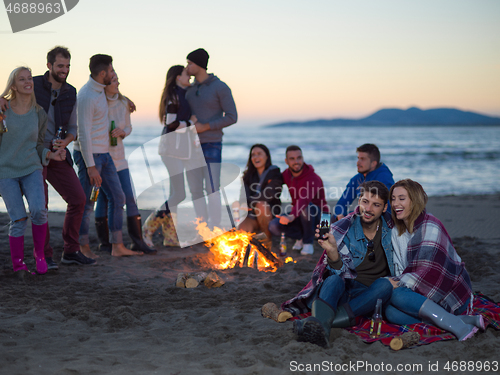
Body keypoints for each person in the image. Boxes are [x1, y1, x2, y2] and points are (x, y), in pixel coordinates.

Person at [0, 47, 92, 268]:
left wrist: (66, 143)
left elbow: (72, 128)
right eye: (60, 65)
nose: (64, 70)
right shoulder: (34, 84)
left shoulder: (71, 92)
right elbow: (12, 97)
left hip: (55, 152)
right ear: (49, 65)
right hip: (32, 153)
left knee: (78, 199)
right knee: (41, 206)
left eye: (68, 66)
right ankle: (45, 255)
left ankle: (70, 250)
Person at [282, 181, 395, 348]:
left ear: (385, 208)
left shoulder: (393, 230)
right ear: (359, 200)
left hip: (368, 296)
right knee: (334, 280)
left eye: (376, 205)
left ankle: (319, 324)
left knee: (385, 285)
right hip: (343, 291)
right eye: (365, 202)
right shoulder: (343, 228)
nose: (368, 209)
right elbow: (337, 274)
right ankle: (323, 329)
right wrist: (333, 251)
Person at [385, 179, 483, 341]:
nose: (395, 204)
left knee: (395, 293)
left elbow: (427, 270)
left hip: (451, 294)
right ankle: (460, 321)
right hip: (422, 294)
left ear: (414, 200)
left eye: (401, 198)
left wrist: (394, 283)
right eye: (393, 199)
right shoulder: (397, 231)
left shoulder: (430, 225)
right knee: (390, 312)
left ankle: (457, 326)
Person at [0, 67, 66, 276]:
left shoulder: (39, 113)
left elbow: (38, 144)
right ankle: (19, 265)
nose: (28, 82)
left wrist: (50, 155)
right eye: (22, 79)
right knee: (18, 218)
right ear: (13, 85)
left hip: (31, 168)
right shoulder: (3, 110)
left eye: (29, 78)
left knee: (39, 210)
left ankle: (39, 255)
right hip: (6, 171)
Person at [73, 54, 141, 258]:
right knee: (87, 203)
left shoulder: (101, 90)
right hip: (90, 156)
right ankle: (83, 247)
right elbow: (83, 134)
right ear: (102, 73)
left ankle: (117, 246)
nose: (113, 75)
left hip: (105, 154)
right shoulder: (87, 96)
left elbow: (114, 94)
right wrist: (90, 166)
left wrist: (126, 98)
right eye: (111, 71)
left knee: (118, 197)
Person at [94, 74, 156, 254]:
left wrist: (123, 132)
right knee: (103, 199)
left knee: (129, 197)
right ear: (104, 85)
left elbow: (129, 127)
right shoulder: (98, 103)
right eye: (114, 81)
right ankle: (105, 244)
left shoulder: (123, 104)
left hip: (120, 159)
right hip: (104, 159)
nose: (118, 83)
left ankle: (137, 241)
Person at [142, 65, 199, 248]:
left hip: (178, 150)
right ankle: (149, 228)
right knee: (179, 194)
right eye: (185, 74)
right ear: (177, 77)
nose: (188, 76)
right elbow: (170, 123)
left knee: (176, 193)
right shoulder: (174, 96)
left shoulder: (181, 93)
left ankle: (170, 237)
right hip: (171, 150)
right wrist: (191, 123)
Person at [185, 48, 237, 229]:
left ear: (199, 65)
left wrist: (205, 126)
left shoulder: (220, 87)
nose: (187, 66)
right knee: (195, 191)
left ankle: (215, 227)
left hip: (212, 144)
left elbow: (232, 116)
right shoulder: (189, 90)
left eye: (190, 63)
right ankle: (203, 227)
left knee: (212, 189)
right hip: (190, 146)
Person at [268, 145, 328, 255]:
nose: (296, 161)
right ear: (286, 161)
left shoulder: (313, 178)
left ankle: (307, 243)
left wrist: (291, 216)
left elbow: (304, 200)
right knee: (274, 226)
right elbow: (274, 185)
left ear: (303, 158)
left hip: (322, 219)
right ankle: (301, 236)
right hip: (300, 216)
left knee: (306, 208)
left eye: (299, 158)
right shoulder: (287, 174)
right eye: (292, 159)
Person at [232, 144, 283, 247]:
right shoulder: (248, 175)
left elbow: (270, 194)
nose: (256, 157)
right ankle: (251, 243)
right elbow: (243, 198)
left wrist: (249, 202)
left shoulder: (274, 172)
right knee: (241, 232)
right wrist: (240, 203)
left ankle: (267, 240)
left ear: (267, 156)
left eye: (259, 154)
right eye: (253, 155)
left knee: (261, 205)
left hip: (270, 213)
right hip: (252, 215)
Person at [334, 144, 394, 221]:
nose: (358, 162)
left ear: (373, 163)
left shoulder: (384, 178)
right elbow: (342, 202)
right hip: (363, 215)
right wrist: (339, 215)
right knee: (331, 218)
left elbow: (386, 208)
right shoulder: (357, 179)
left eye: (362, 159)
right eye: (358, 158)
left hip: (380, 220)